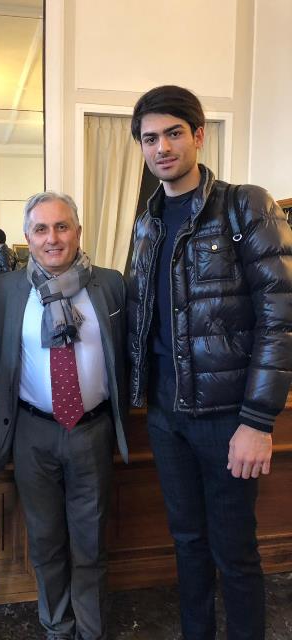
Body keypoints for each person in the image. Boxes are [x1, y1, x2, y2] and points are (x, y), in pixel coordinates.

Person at [127, 85, 292, 640]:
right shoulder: (147, 221)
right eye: (150, 138)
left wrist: (258, 421)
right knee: (187, 543)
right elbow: (140, 314)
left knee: (235, 552)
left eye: (174, 133)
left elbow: (280, 319)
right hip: (166, 414)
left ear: (198, 135)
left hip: (227, 419)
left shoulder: (246, 205)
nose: (162, 147)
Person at [0, 191, 129, 640]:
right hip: (32, 434)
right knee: (46, 542)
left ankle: (91, 631)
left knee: (90, 544)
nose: (53, 238)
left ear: (78, 232)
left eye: (62, 226)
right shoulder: (5, 290)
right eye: (41, 229)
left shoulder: (110, 284)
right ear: (27, 237)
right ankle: (56, 627)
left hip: (92, 431)